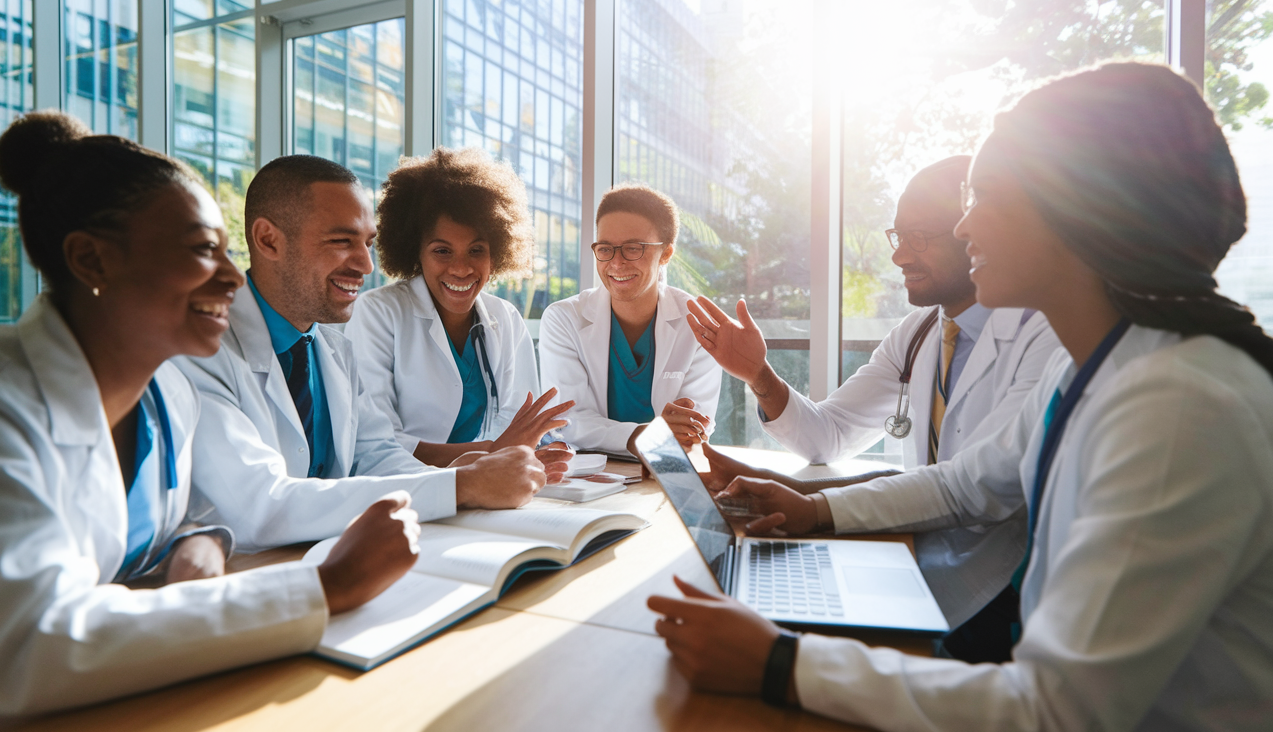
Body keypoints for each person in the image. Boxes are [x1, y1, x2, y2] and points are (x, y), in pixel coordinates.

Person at [648, 62, 1273, 730]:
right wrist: (814, 511)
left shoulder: (1176, 405)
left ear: (1078, 211)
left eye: (984, 198)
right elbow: (963, 486)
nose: (967, 227)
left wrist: (781, 663)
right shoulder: (1104, 368)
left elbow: (1057, 711)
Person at [0, 113, 419, 716]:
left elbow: (194, 511)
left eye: (224, 252)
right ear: (91, 261)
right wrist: (325, 587)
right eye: (201, 250)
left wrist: (200, 539)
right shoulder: (4, 407)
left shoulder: (166, 390)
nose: (230, 278)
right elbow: (25, 648)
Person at [688, 156, 1060, 662]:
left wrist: (815, 507)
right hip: (915, 557)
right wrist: (760, 376)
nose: (899, 256)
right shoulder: (920, 332)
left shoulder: (1044, 331)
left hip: (1001, 591)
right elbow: (828, 435)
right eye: (897, 236)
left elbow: (983, 483)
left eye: (919, 237)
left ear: (977, 232)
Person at [177, 155, 565, 552]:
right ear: (268, 240)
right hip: (252, 571)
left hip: (336, 555)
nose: (365, 264)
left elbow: (380, 458)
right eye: (342, 241)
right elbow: (257, 507)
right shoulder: (201, 351)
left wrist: (471, 475)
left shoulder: (332, 349)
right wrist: (464, 483)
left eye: (367, 243)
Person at [346, 148, 574, 467]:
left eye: (476, 250)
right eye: (442, 251)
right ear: (416, 251)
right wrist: (494, 452)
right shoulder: (378, 312)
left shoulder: (505, 318)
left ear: (497, 253)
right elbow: (378, 443)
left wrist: (539, 452)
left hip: (491, 488)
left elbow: (519, 429)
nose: (461, 268)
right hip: (409, 489)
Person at [538, 184, 723, 452]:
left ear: (666, 254)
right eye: (605, 249)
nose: (616, 263)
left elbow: (695, 425)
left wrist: (669, 434)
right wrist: (648, 437)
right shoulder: (563, 319)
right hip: (585, 471)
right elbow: (567, 421)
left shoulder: (698, 322)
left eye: (633, 248)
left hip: (667, 468)